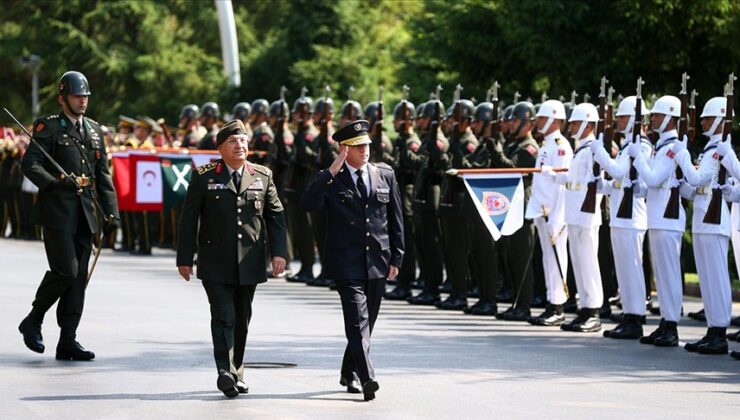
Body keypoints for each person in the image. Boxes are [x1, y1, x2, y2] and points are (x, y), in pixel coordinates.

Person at [176, 119, 288, 397]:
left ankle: (237, 371)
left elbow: (276, 217)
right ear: (220, 148)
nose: (240, 146)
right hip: (215, 259)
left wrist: (280, 253)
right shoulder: (204, 176)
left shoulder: (263, 176)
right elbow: (189, 220)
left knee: (242, 317)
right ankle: (224, 371)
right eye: (233, 142)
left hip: (249, 260)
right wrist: (184, 258)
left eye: (243, 141)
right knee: (223, 315)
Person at [18, 70, 120, 360]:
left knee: (78, 280)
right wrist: (54, 182)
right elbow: (31, 164)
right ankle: (33, 320)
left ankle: (68, 339)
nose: (83, 101)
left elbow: (103, 176)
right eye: (77, 96)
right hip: (57, 212)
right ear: (63, 99)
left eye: (85, 96)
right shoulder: (48, 128)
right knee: (66, 270)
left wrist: (112, 214)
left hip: (86, 213)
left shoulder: (95, 131)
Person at [301, 120, 404, 401]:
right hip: (346, 261)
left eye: (367, 145)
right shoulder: (332, 178)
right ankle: (366, 375)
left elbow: (395, 219)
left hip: (378, 259)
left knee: (367, 322)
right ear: (343, 149)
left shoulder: (384, 174)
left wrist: (397, 255)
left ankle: (349, 370)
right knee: (358, 320)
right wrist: (331, 171)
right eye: (358, 146)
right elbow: (308, 204)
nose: (365, 150)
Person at [675, 96, 733, 355]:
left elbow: (698, 175)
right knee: (707, 278)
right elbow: (698, 185)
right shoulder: (711, 148)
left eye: (708, 118)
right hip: (702, 218)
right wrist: (684, 188)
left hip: (714, 220)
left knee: (716, 277)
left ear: (721, 120)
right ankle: (712, 329)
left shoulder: (719, 148)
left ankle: (720, 332)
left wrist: (683, 157)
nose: (703, 122)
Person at [628, 95, 686, 345]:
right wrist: (637, 188)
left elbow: (653, 178)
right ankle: (665, 321)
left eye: (658, 116)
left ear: (671, 118)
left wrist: (637, 158)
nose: (653, 119)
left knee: (669, 273)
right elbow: (650, 185)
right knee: (661, 275)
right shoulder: (662, 146)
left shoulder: (673, 147)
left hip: (667, 217)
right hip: (657, 215)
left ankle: (672, 326)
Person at [541, 102, 603, 332]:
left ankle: (593, 311)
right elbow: (575, 179)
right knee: (578, 263)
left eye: (576, 123)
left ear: (588, 125)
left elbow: (596, 182)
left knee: (588, 264)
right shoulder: (581, 149)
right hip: (575, 214)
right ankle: (585, 309)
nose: (572, 126)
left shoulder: (595, 149)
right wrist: (556, 176)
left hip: (586, 216)